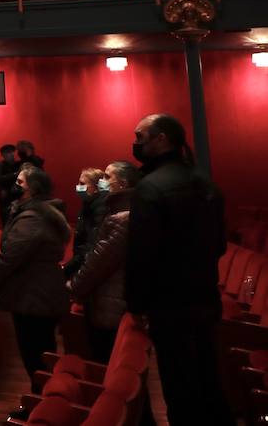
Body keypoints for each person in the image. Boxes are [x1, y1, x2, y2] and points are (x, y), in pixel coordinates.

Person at [125, 114, 233, 425]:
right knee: (208, 379)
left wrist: (136, 304)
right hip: (204, 295)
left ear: (162, 140)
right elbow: (219, 245)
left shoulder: (149, 188)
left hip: (169, 304)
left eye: (141, 137)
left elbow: (141, 254)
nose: (136, 143)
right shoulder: (205, 182)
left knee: (179, 385)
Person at [0, 165, 70, 388]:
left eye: (20, 182)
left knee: (35, 353)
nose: (15, 184)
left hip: (33, 294)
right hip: (37, 291)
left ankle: (41, 402)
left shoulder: (32, 218)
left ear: (32, 188)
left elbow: (10, 256)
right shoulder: (38, 212)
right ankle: (40, 398)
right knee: (40, 351)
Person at [69, 160, 138, 363]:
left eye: (107, 177)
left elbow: (98, 260)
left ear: (123, 184)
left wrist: (74, 286)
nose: (102, 181)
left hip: (111, 302)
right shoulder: (115, 211)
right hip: (110, 298)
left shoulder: (122, 218)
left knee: (106, 362)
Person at [65, 167, 108, 277]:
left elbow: (91, 244)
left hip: (85, 265)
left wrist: (70, 267)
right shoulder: (89, 204)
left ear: (96, 188)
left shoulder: (100, 208)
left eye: (82, 183)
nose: (79, 186)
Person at [0, 144, 21, 226]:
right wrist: (15, 174)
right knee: (7, 224)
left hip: (18, 198)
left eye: (12, 152)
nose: (11, 154)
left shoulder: (18, 164)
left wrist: (17, 186)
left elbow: (23, 178)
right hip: (6, 200)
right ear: (3, 155)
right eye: (8, 152)